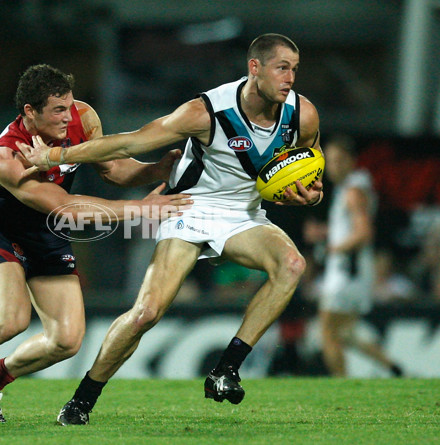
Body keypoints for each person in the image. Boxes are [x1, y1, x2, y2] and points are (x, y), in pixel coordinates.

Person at [17, 33, 324, 425]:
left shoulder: (303, 114)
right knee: (146, 312)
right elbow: (129, 142)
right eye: (282, 68)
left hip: (244, 213)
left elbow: (311, 169)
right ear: (255, 68)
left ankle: (225, 370)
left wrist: (310, 195)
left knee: (292, 265)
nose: (290, 78)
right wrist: (55, 155)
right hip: (189, 207)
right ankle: (82, 400)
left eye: (295, 69)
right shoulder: (205, 111)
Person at [0, 64, 191, 423]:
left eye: (68, 105)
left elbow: (112, 169)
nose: (67, 114)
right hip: (4, 233)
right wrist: (139, 210)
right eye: (57, 109)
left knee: (67, 340)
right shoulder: (6, 158)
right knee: (10, 320)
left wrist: (155, 170)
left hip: (47, 235)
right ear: (30, 111)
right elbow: (64, 206)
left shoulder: (83, 117)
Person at [303, 133, 403, 377]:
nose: (332, 166)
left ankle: (342, 385)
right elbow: (351, 228)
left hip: (347, 272)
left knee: (326, 332)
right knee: (345, 332)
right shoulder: (351, 188)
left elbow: (364, 233)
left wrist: (332, 249)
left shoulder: (353, 191)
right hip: (355, 271)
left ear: (351, 161)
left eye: (338, 160)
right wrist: (326, 234)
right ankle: (391, 366)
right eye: (330, 161)